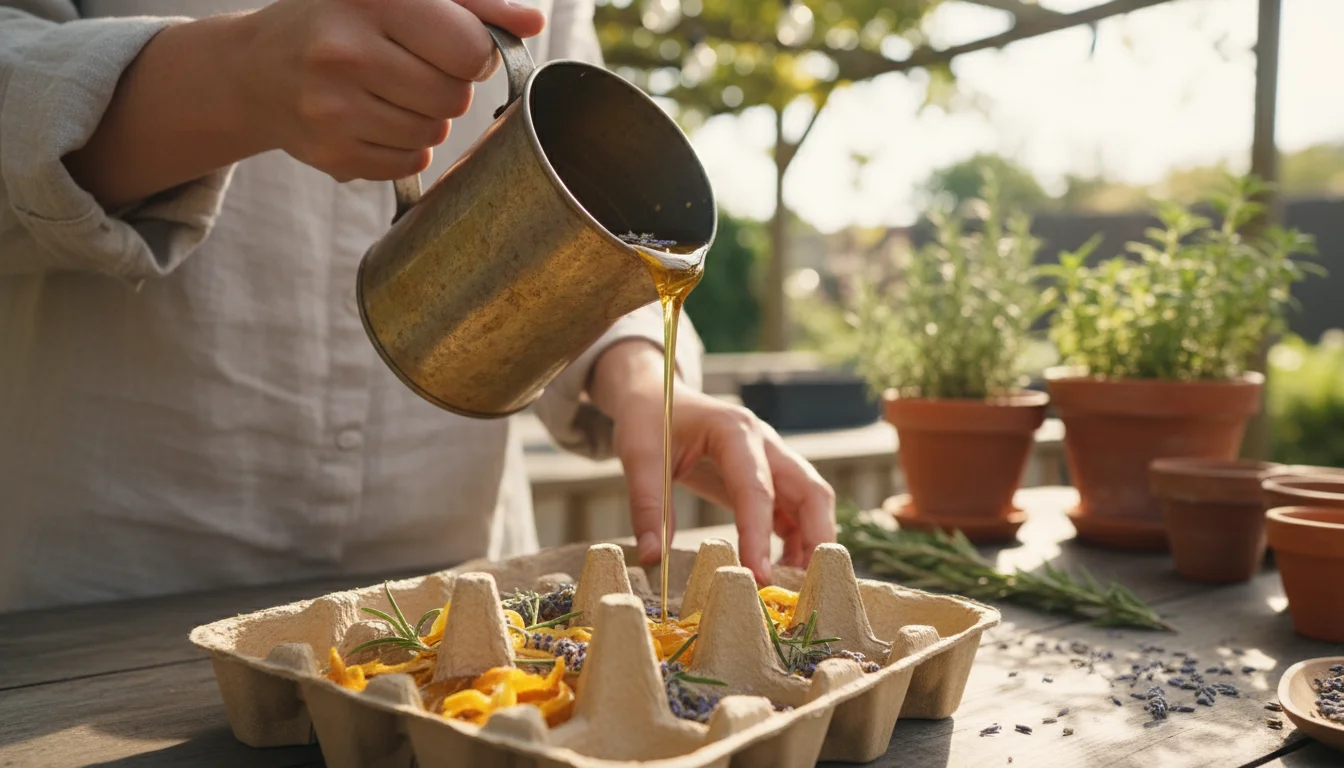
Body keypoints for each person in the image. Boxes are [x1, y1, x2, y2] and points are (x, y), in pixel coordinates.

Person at [0, 0, 836, 614]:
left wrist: (641, 373)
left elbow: (579, 195)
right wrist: (232, 78)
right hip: (105, 607)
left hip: (465, 601)